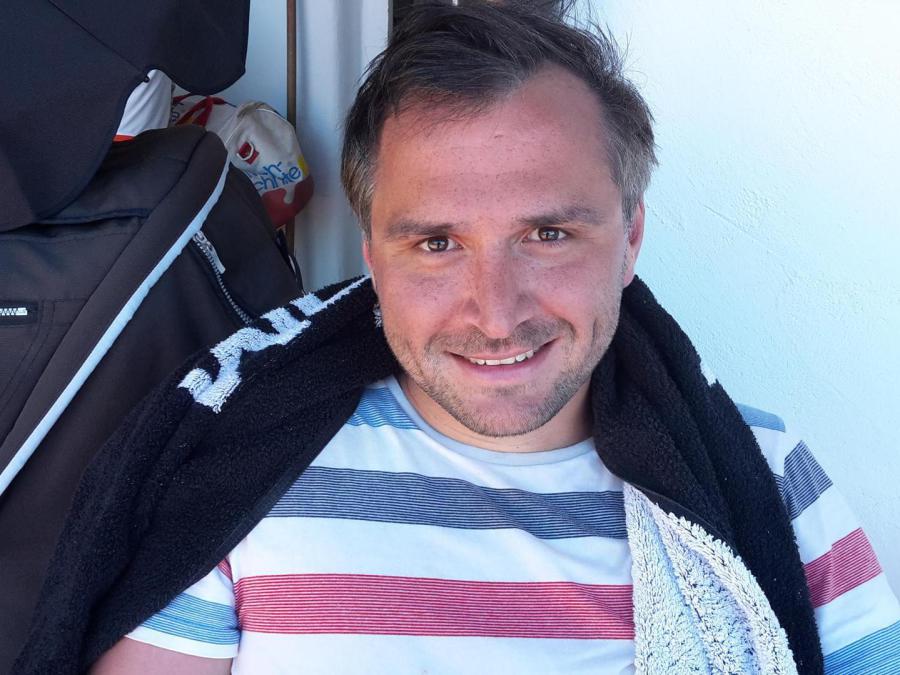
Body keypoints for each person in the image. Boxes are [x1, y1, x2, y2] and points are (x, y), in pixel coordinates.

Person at [15, 2, 899, 674]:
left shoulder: (769, 478)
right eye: (437, 243)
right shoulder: (233, 470)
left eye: (548, 234)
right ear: (373, 256)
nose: (495, 311)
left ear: (630, 239)